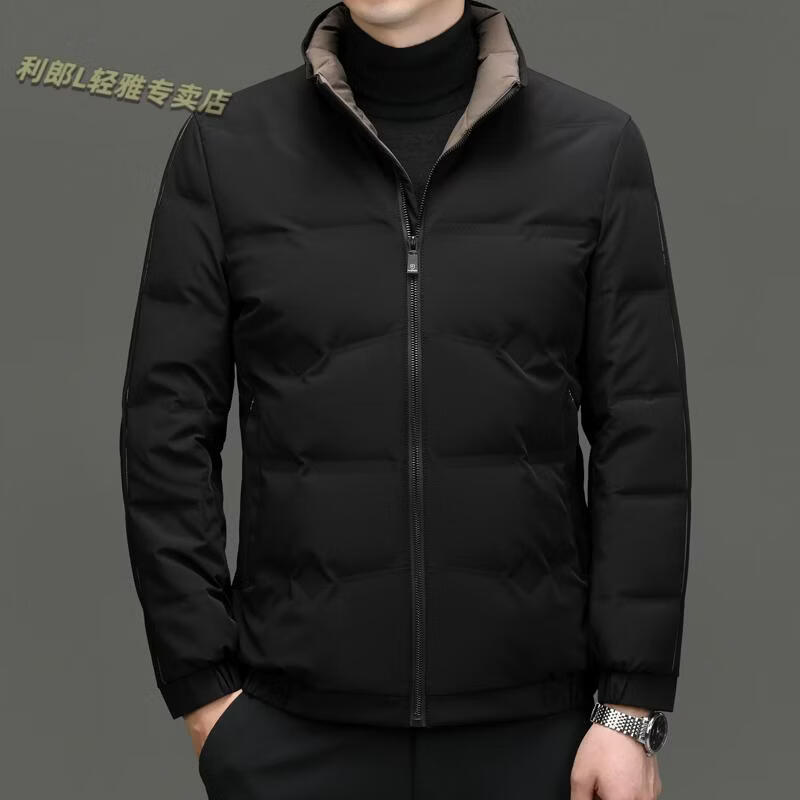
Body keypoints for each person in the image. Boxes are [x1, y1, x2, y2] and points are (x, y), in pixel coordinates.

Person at [118, 1, 692, 798]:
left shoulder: (593, 148)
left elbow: (644, 437)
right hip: (291, 733)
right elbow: (165, 431)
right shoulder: (226, 147)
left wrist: (627, 709)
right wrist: (205, 693)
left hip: (539, 738)